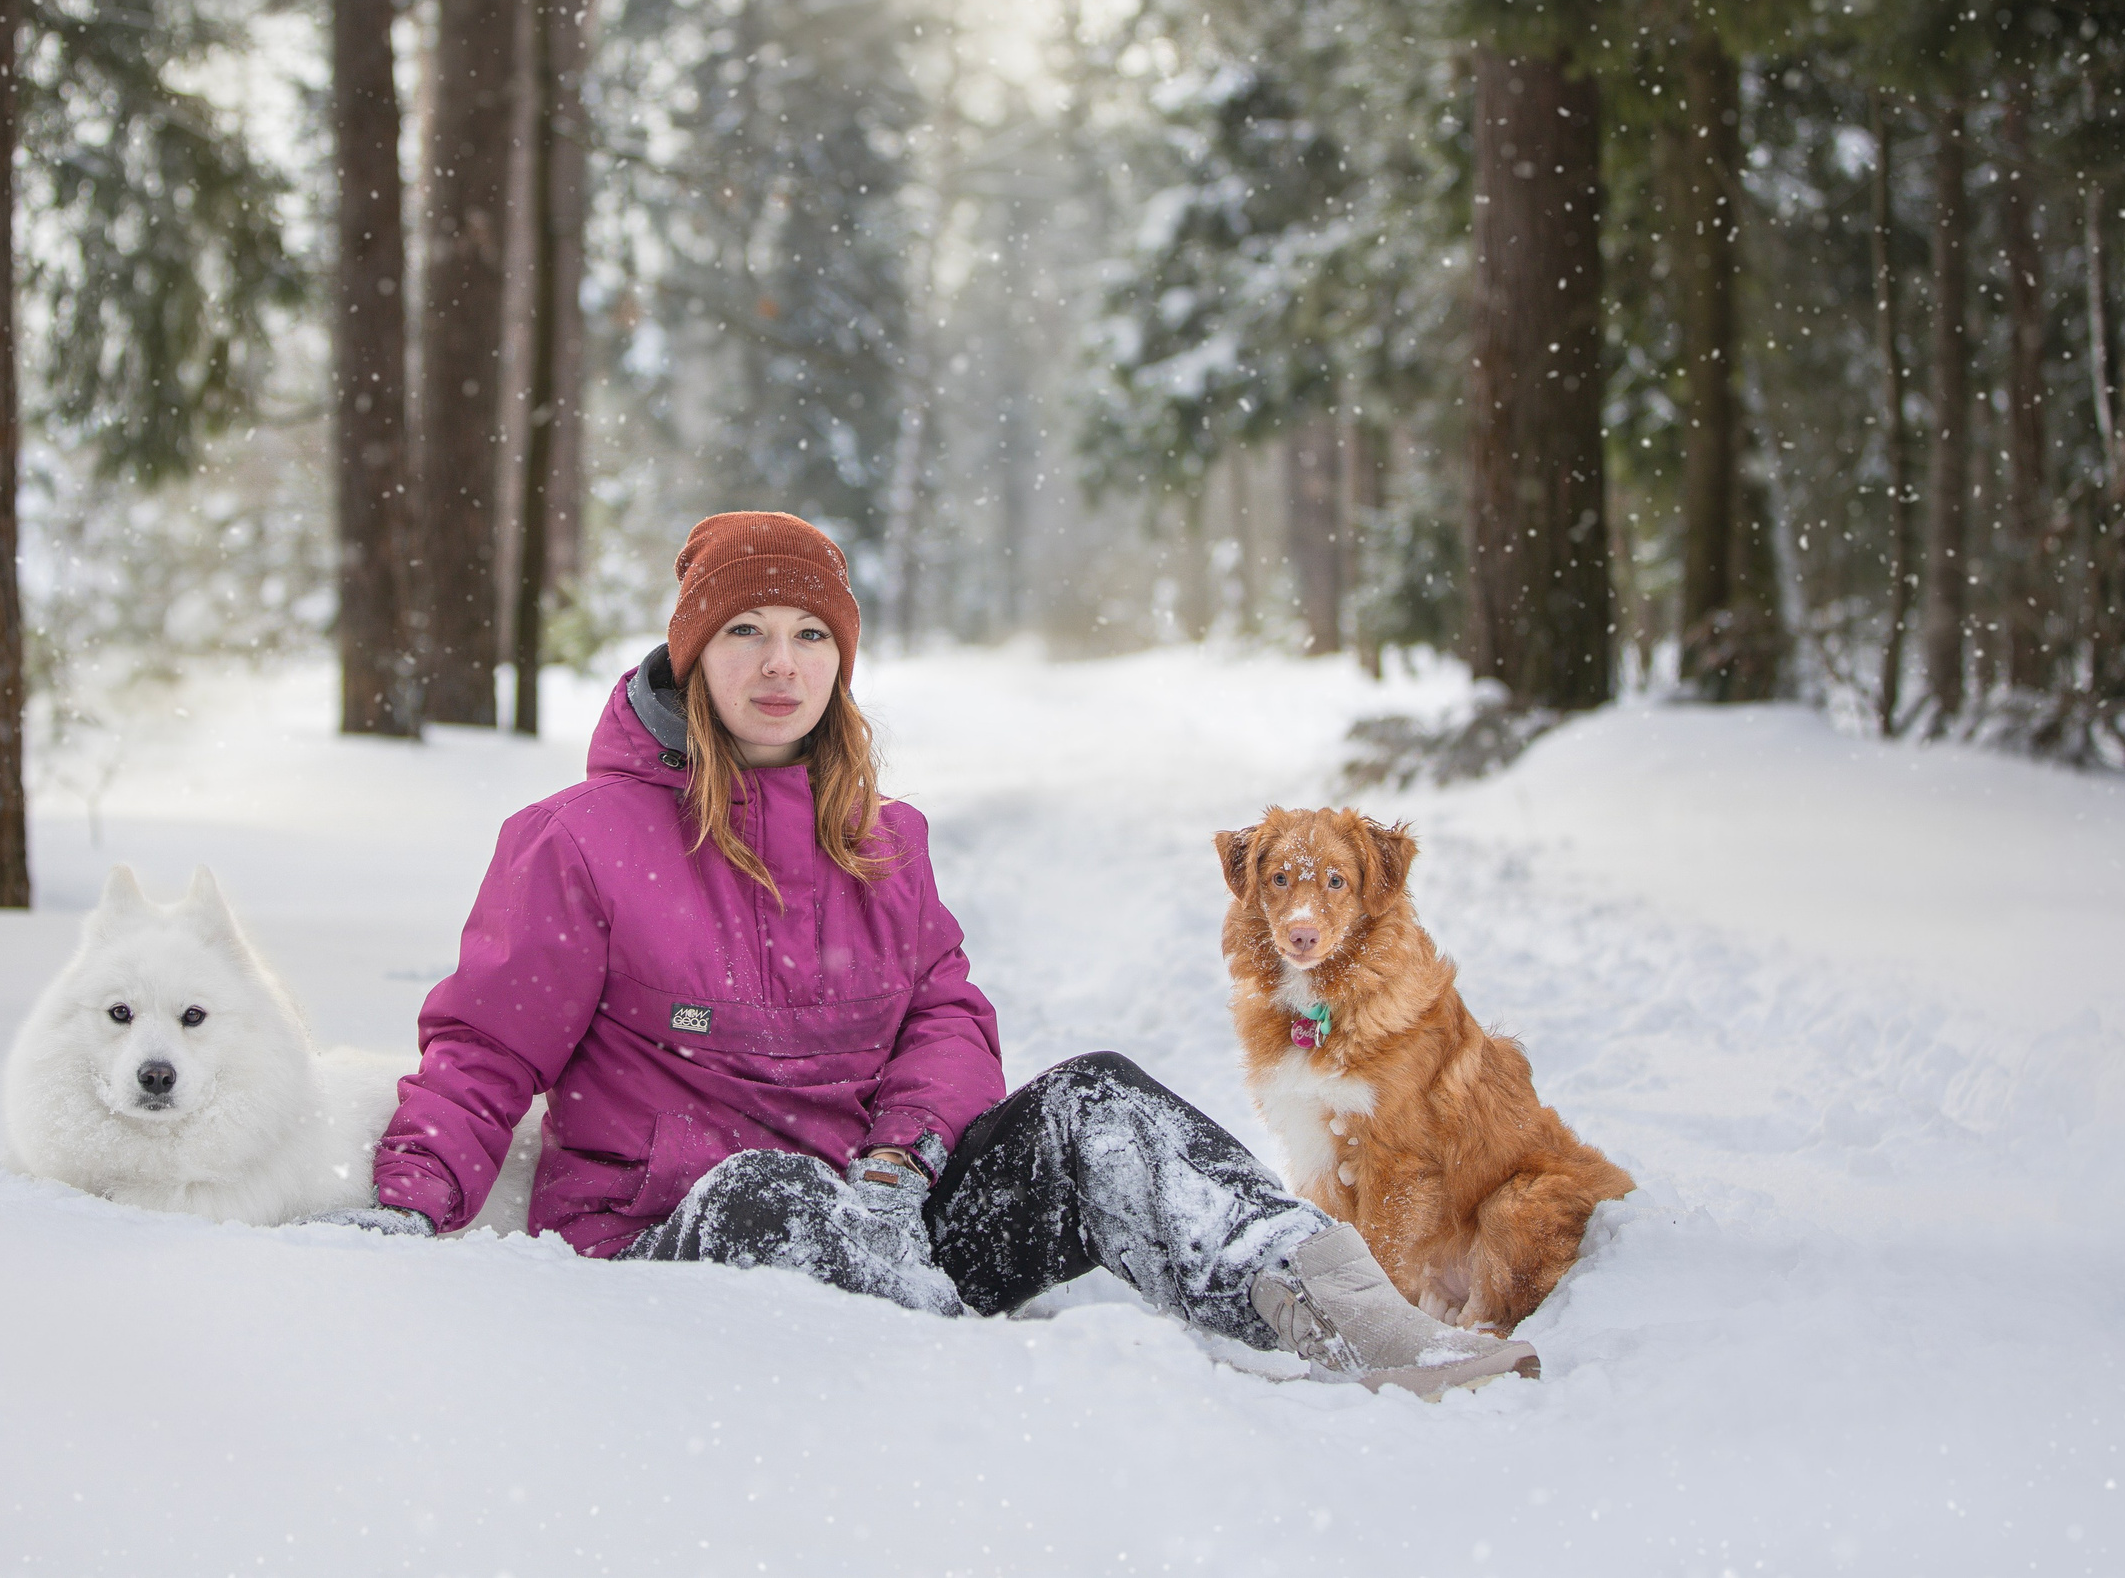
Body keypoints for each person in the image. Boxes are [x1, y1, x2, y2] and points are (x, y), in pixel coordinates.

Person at [326, 511, 1537, 1395]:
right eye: (744, 631)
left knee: (1096, 1103)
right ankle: (948, 1386)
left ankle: (1353, 1325)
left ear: (840, 662)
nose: (779, 663)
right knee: (768, 1188)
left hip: (886, 1223)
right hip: (668, 1253)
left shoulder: (881, 845)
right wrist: (409, 1204)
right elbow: (486, 1047)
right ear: (692, 655)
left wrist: (907, 1156)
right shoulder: (578, 845)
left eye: (809, 634)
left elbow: (946, 1023)